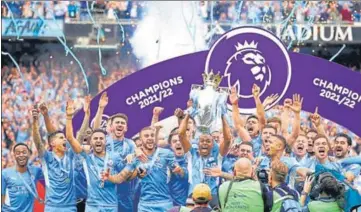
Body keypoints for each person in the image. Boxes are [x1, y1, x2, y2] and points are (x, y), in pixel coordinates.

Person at [65, 99, 136, 211]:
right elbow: (71, 137)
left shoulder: (120, 153)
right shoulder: (86, 156)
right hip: (93, 205)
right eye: (95, 138)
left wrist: (135, 165)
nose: (98, 140)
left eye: (101, 138)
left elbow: (124, 177)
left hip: (115, 202)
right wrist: (69, 117)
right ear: (91, 141)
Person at [106, 126, 183, 212]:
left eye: (152, 135)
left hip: (165, 204)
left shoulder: (166, 153)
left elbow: (180, 173)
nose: (150, 138)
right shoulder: (136, 157)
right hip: (145, 206)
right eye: (146, 136)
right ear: (141, 139)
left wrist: (179, 171)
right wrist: (109, 177)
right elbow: (121, 178)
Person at [93, 92, 136, 211]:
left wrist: (133, 156)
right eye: (117, 122)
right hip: (105, 193)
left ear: (126, 128)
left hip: (125, 194)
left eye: (123, 123)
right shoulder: (103, 141)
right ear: (111, 126)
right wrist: (101, 108)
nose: (120, 125)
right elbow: (95, 131)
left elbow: (135, 164)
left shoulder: (130, 144)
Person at [179, 113, 232, 208]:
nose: (205, 143)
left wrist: (223, 116)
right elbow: (181, 135)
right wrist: (188, 115)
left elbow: (227, 140)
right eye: (202, 141)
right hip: (193, 194)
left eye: (208, 141)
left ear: (213, 144)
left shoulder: (218, 156)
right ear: (197, 143)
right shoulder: (191, 154)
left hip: (212, 196)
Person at [32, 104, 77, 212]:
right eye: (61, 138)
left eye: (65, 138)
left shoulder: (70, 156)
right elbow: (38, 143)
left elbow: (71, 137)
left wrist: (69, 116)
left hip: (70, 207)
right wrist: (35, 122)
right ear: (52, 143)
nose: (64, 140)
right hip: (51, 207)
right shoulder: (47, 157)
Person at [1, 143, 44, 212]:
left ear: (29, 154)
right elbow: (1, 197)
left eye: (24, 152)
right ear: (14, 155)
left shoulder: (36, 170)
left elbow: (53, 176)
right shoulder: (5, 173)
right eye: (18, 153)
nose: (21, 155)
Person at [168, 128, 189, 206]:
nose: (178, 143)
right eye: (174, 141)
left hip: (188, 204)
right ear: (170, 145)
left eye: (180, 140)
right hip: (170, 204)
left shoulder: (191, 159)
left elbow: (185, 174)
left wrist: (181, 171)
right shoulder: (167, 160)